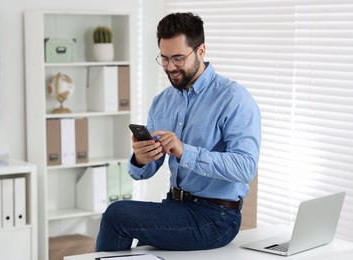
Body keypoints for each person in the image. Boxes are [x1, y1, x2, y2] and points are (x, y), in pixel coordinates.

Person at [95, 12, 261, 252]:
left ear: (201, 51)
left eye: (178, 58)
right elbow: (142, 173)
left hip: (217, 217)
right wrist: (141, 158)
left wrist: (184, 151)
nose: (170, 67)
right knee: (140, 248)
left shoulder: (234, 99)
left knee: (116, 215)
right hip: (175, 207)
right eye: (164, 58)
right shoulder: (162, 102)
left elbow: (246, 167)